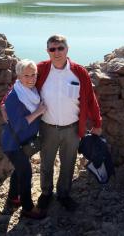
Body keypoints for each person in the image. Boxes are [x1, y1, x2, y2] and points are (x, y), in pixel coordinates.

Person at [35, 34, 102, 212]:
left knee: (68, 163)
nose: (56, 52)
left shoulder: (79, 72)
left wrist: (97, 122)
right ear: (47, 50)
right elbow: (22, 85)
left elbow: (90, 99)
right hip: (47, 127)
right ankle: (46, 193)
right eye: (52, 49)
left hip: (72, 128)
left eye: (60, 48)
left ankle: (64, 194)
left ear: (67, 49)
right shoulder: (40, 69)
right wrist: (5, 104)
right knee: (46, 163)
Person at [1, 59, 46, 219]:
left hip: (23, 142)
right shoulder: (15, 96)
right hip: (12, 144)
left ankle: (13, 199)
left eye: (33, 74)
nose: (31, 78)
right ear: (18, 76)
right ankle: (27, 208)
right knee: (26, 173)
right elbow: (19, 124)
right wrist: (39, 112)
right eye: (26, 75)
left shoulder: (31, 92)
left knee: (19, 171)